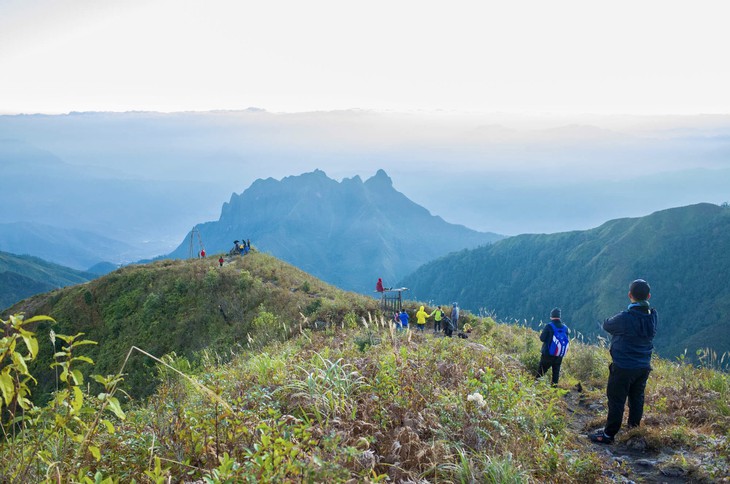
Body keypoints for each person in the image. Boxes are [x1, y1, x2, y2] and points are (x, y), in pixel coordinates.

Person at [590, 279, 657, 445]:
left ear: (629, 296)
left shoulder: (624, 318)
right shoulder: (653, 317)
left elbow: (607, 325)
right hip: (643, 366)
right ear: (648, 296)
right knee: (637, 399)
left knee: (616, 399)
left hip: (623, 366)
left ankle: (608, 434)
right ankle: (633, 430)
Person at [538, 308, 570, 386]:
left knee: (540, 372)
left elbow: (542, 338)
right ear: (559, 317)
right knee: (556, 372)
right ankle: (554, 389)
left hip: (547, 354)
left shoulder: (549, 326)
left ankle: (535, 386)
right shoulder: (565, 328)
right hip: (559, 354)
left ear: (551, 316)